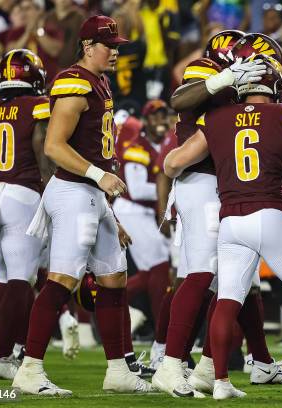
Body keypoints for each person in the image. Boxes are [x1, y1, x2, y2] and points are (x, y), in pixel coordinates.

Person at [163, 54, 282, 399]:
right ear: (276, 87)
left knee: (228, 299)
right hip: (270, 212)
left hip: (230, 220)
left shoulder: (215, 118)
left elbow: (173, 163)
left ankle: (220, 382)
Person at [12, 15, 152, 396]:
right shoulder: (74, 82)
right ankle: (29, 369)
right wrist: (99, 176)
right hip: (74, 191)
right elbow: (54, 146)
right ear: (88, 46)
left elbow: (95, 151)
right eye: (110, 46)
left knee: (114, 278)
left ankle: (118, 371)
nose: (116, 54)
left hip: (91, 194)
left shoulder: (98, 81)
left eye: (119, 47)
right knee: (62, 281)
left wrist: (108, 207)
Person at [0, 49, 52, 380]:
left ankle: (9, 349)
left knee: (2, 277)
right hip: (21, 193)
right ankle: (4, 356)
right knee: (22, 278)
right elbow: (41, 149)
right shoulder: (36, 105)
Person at [113, 99, 173, 377]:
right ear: (145, 121)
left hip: (148, 214)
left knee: (155, 272)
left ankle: (116, 299)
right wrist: (172, 188)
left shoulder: (164, 144)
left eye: (164, 114)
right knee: (159, 268)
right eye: (155, 115)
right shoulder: (137, 147)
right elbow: (136, 189)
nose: (160, 120)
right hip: (132, 211)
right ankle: (161, 340)